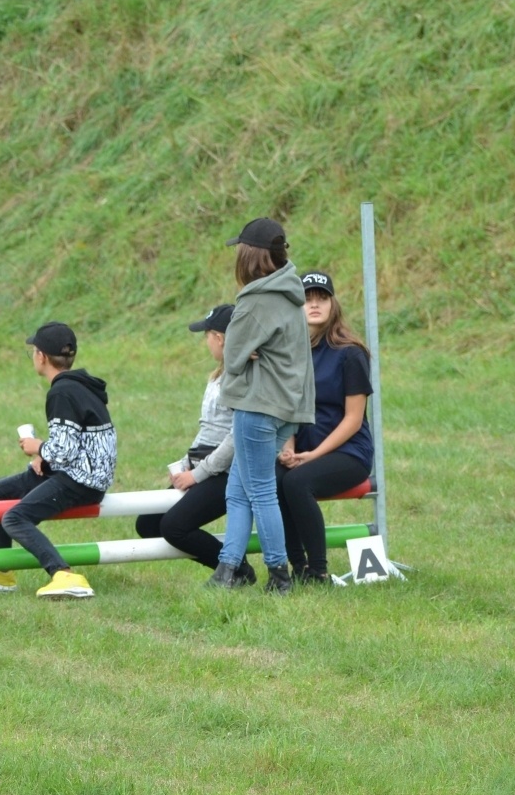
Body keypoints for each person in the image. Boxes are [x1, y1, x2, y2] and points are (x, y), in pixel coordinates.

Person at [0, 322, 116, 599]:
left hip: (82, 481)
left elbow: (64, 450)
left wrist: (36, 446)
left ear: (40, 356)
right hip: (79, 471)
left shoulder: (61, 392)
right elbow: (77, 443)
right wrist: (46, 457)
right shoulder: (80, 386)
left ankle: (62, 573)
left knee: (14, 518)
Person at [208, 218, 314, 594]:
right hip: (287, 408)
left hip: (258, 407)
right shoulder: (290, 293)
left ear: (249, 257)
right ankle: (227, 569)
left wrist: (247, 350)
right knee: (237, 491)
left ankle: (279, 576)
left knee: (261, 492)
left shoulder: (255, 300)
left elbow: (232, 354)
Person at [133, 304, 257, 587]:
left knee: (173, 525)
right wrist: (186, 462)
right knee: (147, 524)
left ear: (220, 338)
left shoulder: (244, 377)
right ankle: (231, 563)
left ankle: (235, 568)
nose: (206, 342)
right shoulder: (215, 377)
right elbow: (208, 430)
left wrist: (198, 475)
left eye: (207, 335)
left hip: (228, 473)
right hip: (203, 465)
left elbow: (235, 437)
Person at [277, 270, 373, 585]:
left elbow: (353, 419)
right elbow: (288, 408)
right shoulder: (292, 353)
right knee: (275, 479)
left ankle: (317, 572)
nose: (314, 304)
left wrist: (314, 454)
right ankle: (297, 568)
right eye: (307, 299)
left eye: (322, 298)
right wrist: (289, 447)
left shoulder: (350, 353)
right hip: (304, 449)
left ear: (333, 304)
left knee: (296, 483)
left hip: (348, 452)